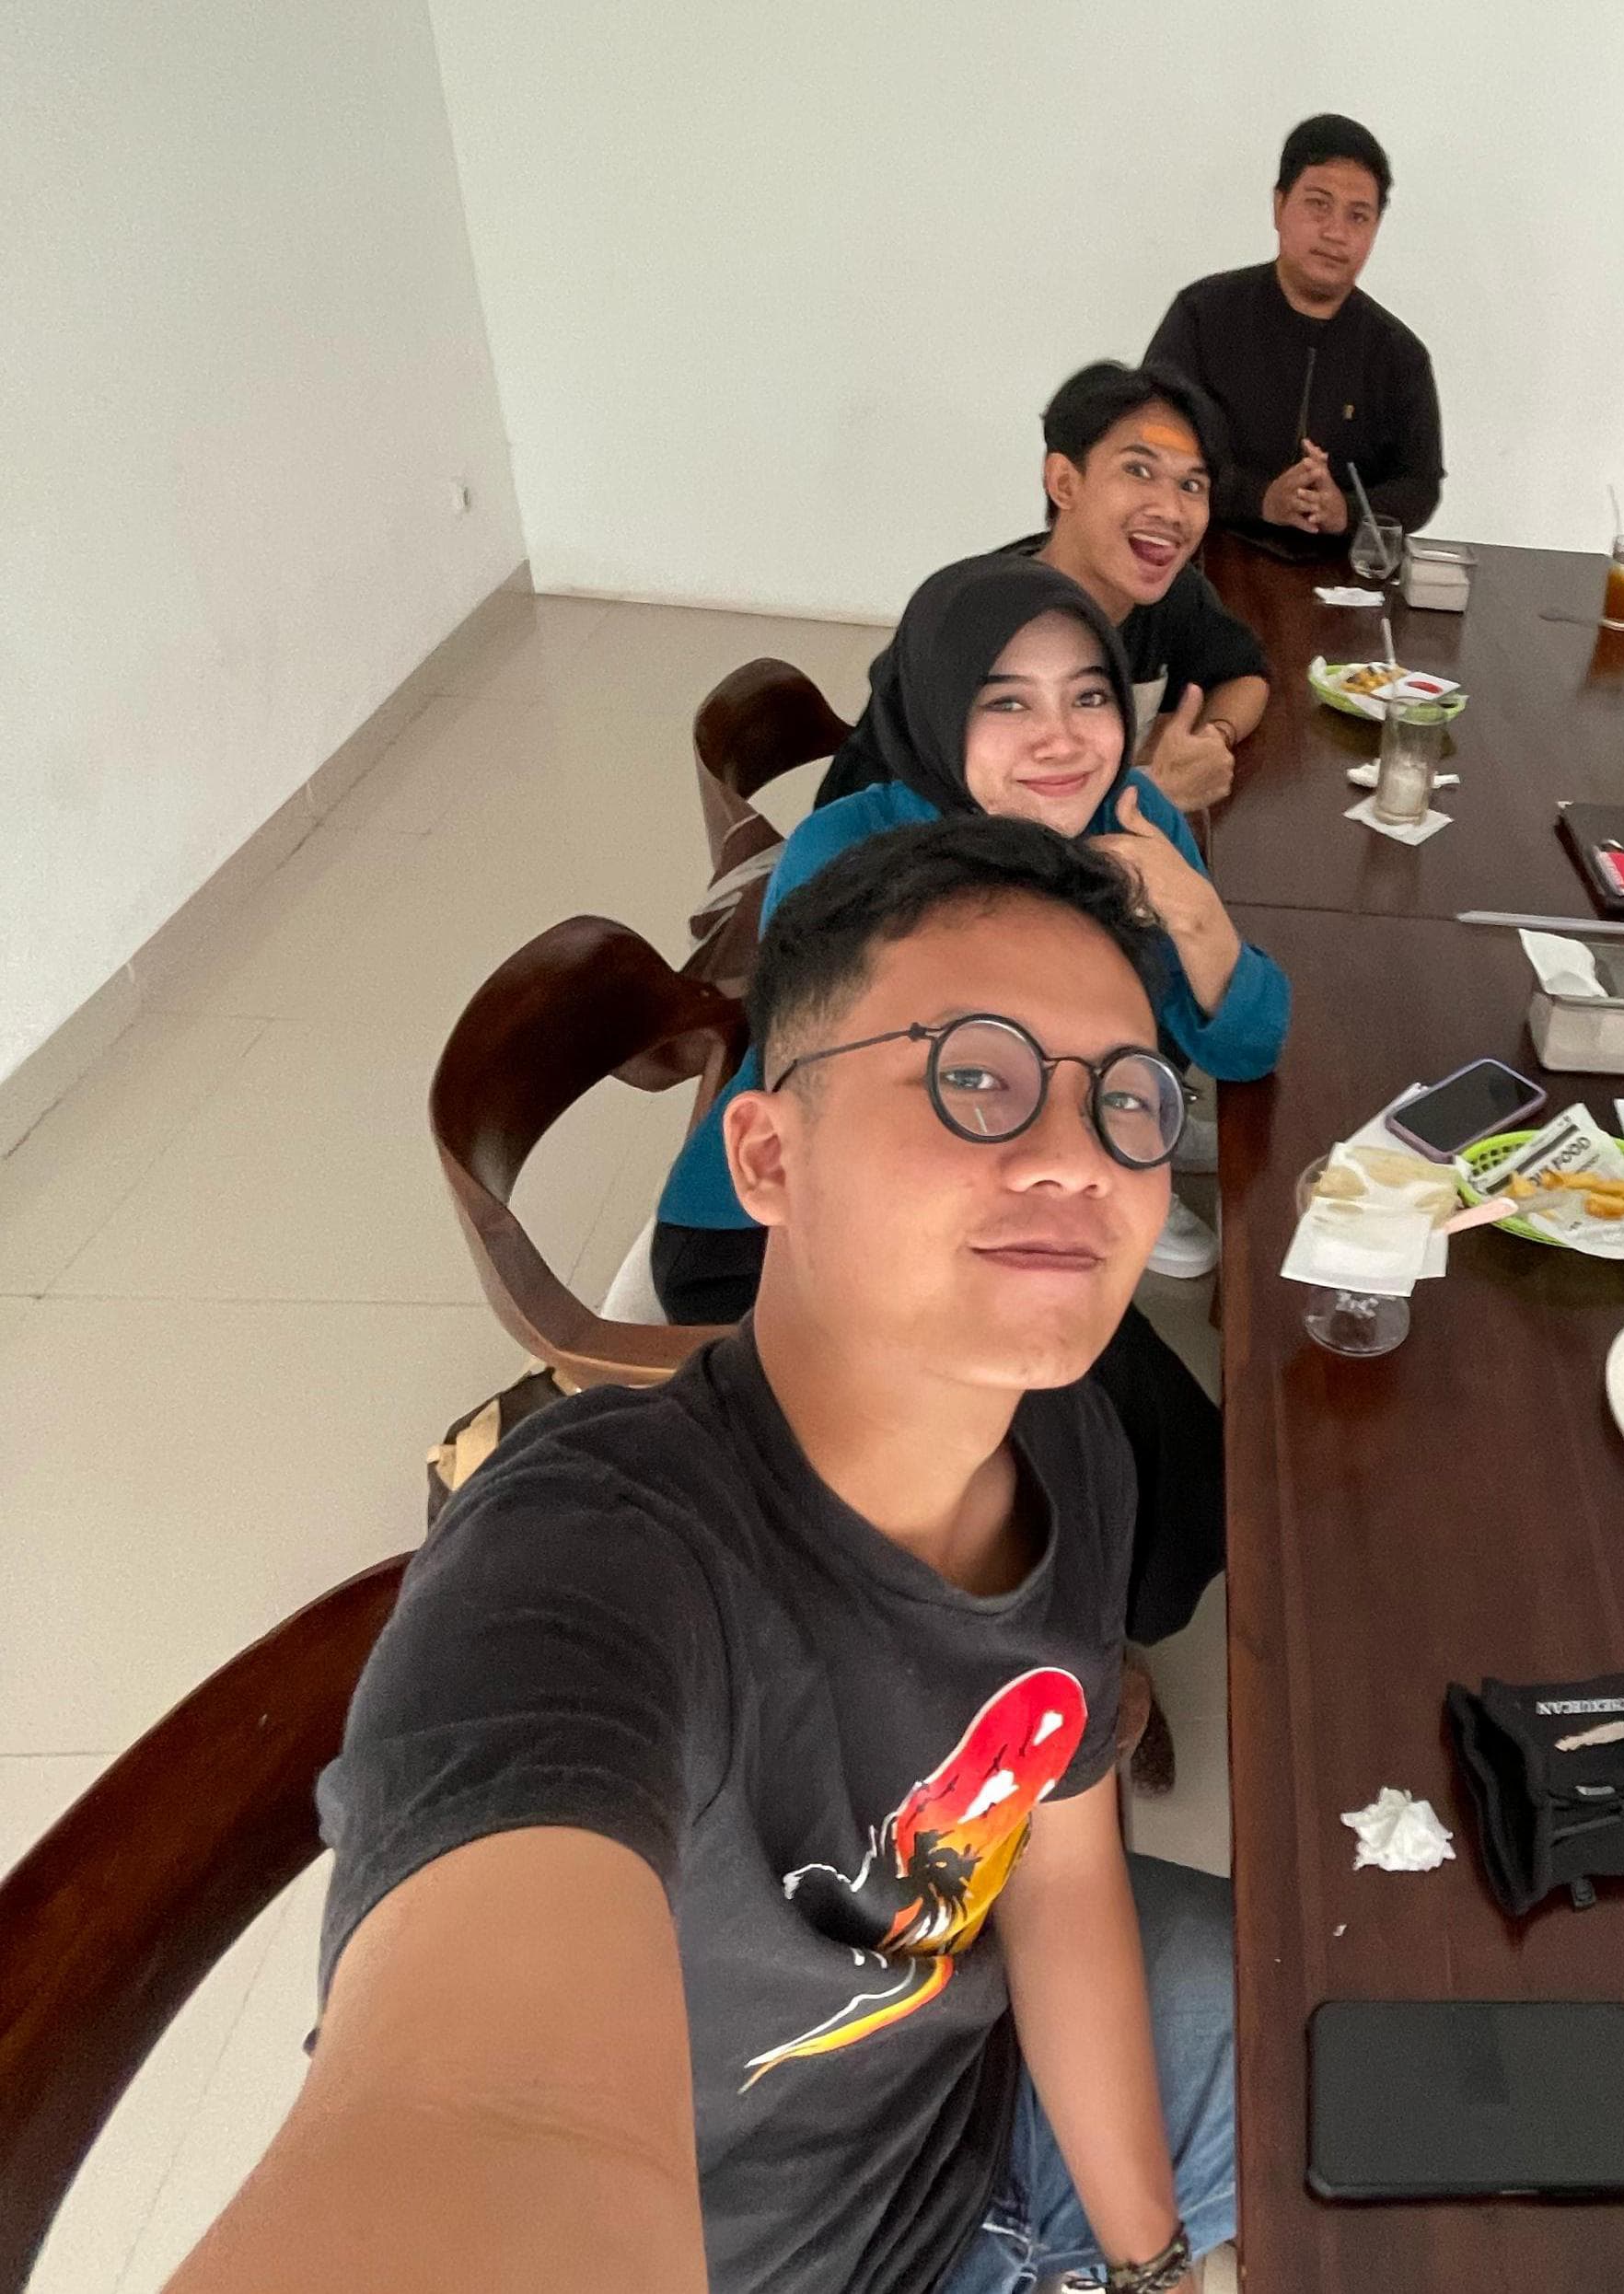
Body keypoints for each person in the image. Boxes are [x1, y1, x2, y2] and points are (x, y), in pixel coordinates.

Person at [170, 817, 1235, 2294]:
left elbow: (1056, 1876)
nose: (1077, 1160)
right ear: (768, 1155)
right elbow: (477, 2119)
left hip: (969, 2101)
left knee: (1404, 2058)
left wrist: (1148, 2263)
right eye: (974, 1076)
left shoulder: (1072, 1439)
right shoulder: (590, 1559)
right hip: (770, 2256)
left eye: (1125, 1100)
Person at [658, 555, 1287, 1644]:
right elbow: (849, 1118)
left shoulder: (1134, 819)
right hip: (788, 1221)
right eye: (1006, 703)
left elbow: (1245, 1046)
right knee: (1075, 1440)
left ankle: (1090, 1624)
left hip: (999, 1182)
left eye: (1089, 696)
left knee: (1167, 1451)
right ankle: (1032, 1645)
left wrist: (1192, 913)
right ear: (937, 709)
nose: (1061, 739)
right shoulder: (852, 851)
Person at [817, 364, 1270, 817]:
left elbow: (1245, 675)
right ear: (1063, 483)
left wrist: (1211, 737)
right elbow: (923, 829)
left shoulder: (1171, 595)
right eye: (1138, 470)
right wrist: (1151, 798)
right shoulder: (970, 623)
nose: (1171, 511)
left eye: (1191, 484)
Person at [1146, 112, 1441, 557]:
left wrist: (1345, 511)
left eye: (1358, 216)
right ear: (1279, 206)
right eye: (1318, 204)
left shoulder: (1399, 355)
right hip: (1202, 561)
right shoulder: (1203, 315)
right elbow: (1152, 444)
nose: (1336, 233)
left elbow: (1420, 486)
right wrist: (1261, 499)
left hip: (1345, 575)